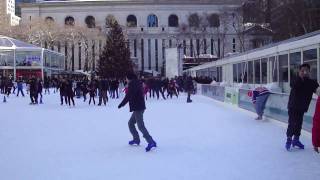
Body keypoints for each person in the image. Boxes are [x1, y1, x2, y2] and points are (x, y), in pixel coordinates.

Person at [118, 73, 157, 152]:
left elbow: (128, 96)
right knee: (131, 123)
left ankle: (151, 141)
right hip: (138, 107)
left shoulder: (133, 84)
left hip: (138, 107)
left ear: (130, 78)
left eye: (126, 78)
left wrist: (122, 104)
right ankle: (136, 139)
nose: (126, 80)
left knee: (140, 126)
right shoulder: (136, 83)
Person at [286, 64, 320, 151]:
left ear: (309, 71)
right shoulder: (296, 80)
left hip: (302, 107)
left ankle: (296, 140)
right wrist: (300, 78)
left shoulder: (312, 82)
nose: (304, 72)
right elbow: (293, 85)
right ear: (299, 71)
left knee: (299, 123)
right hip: (293, 106)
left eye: (306, 70)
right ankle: (289, 140)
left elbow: (317, 90)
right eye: (302, 70)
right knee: (292, 123)